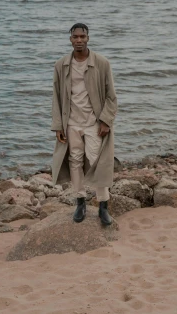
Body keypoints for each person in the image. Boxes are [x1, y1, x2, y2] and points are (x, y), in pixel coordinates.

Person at [51, 23, 118, 225]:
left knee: (97, 161)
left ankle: (103, 205)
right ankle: (80, 201)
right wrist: (58, 126)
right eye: (75, 37)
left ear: (88, 38)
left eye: (82, 36)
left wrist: (106, 120)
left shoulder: (102, 63)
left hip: (93, 123)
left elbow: (112, 97)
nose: (79, 40)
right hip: (71, 122)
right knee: (75, 161)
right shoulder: (61, 65)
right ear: (70, 39)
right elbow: (56, 97)